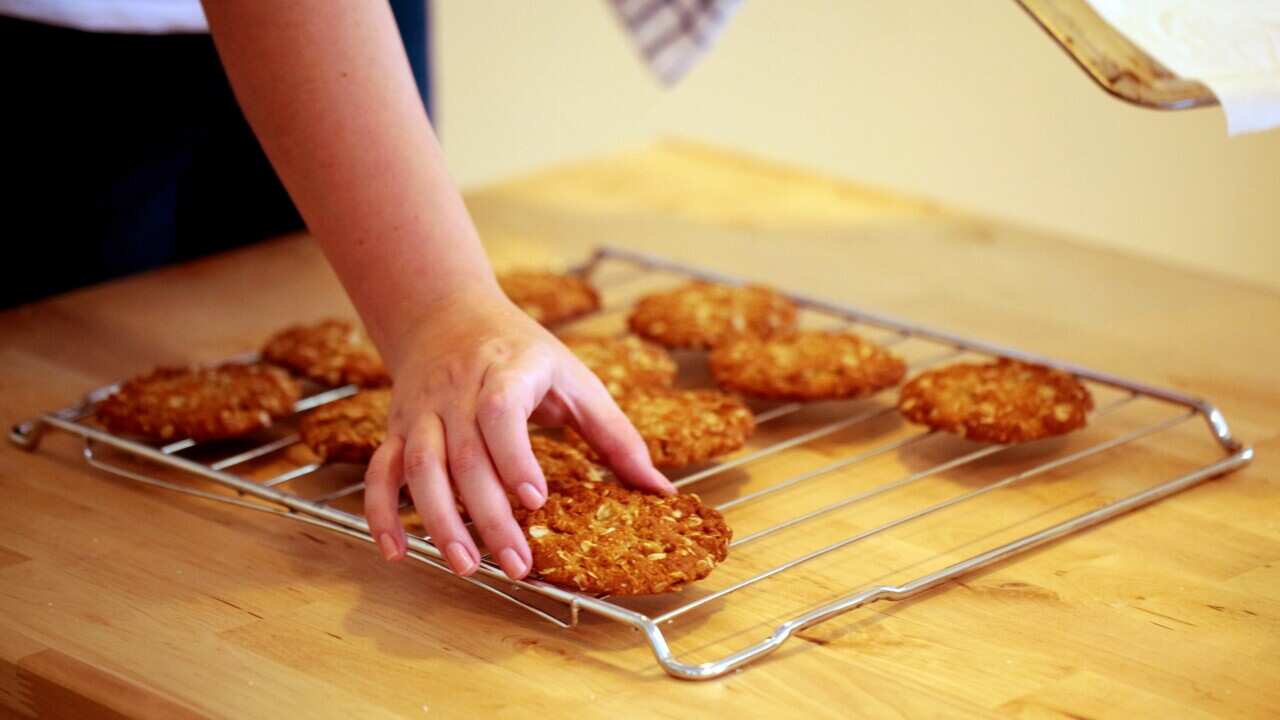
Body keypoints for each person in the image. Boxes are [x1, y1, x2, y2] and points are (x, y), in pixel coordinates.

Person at [6, 1, 676, 582]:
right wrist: (442, 308)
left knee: (294, 284)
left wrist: (440, 312)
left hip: (358, 24)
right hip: (75, 52)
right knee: (68, 388)